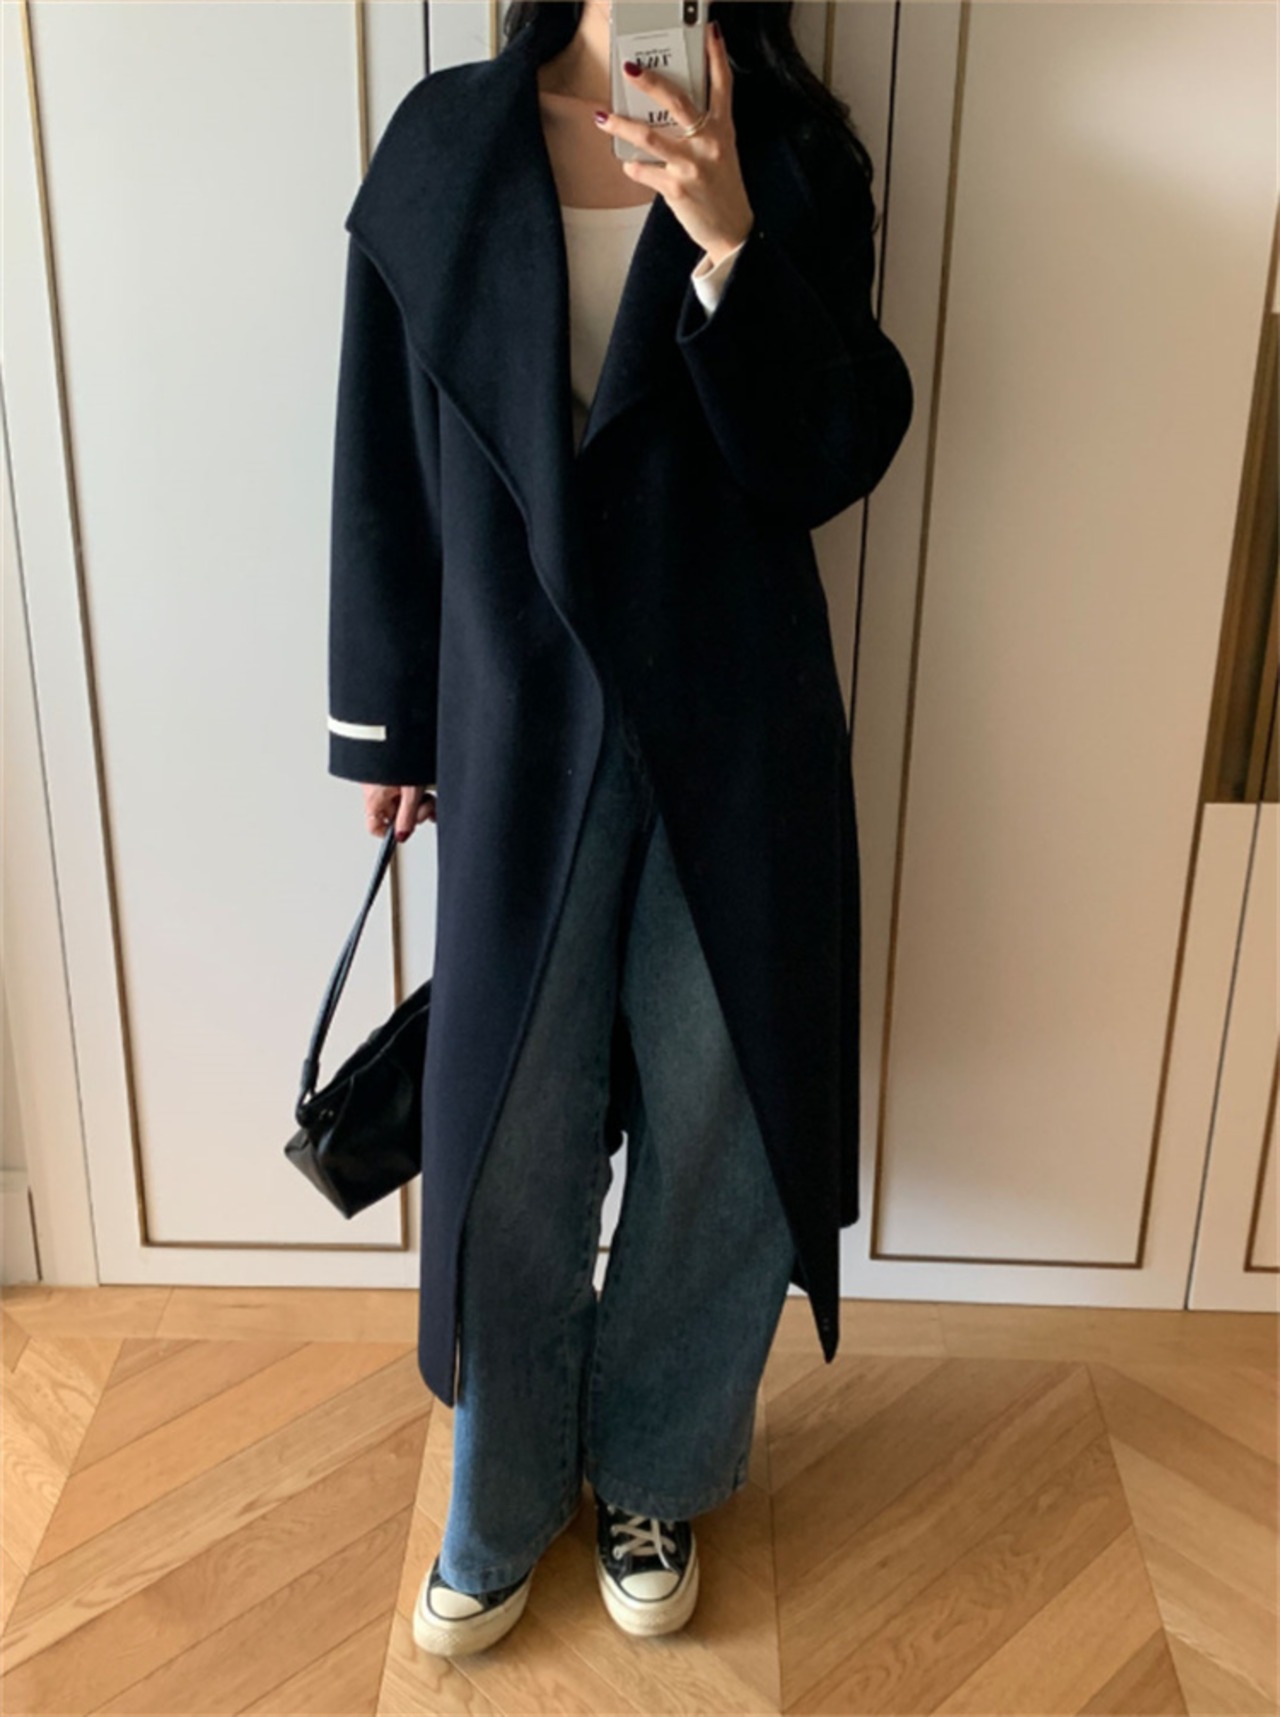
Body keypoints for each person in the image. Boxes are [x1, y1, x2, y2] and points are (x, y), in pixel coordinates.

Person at [327, 0, 914, 1661]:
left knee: (725, 1107)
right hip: (518, 717)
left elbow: (826, 455)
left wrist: (727, 238)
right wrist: (387, 719)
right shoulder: (449, 145)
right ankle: (504, 1488)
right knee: (511, 1120)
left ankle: (657, 1461)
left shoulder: (790, 154)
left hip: (737, 716)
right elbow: (383, 449)